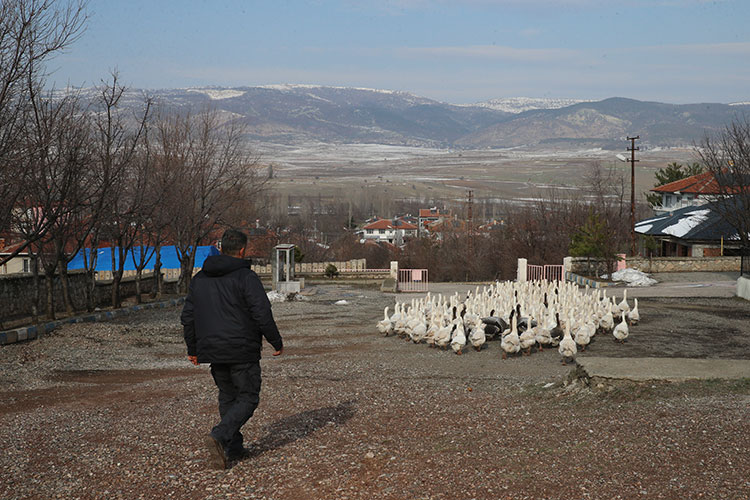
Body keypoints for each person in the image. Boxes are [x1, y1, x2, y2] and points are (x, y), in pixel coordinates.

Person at [181, 228, 283, 469]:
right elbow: (261, 313)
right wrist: (275, 341)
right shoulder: (246, 278)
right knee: (248, 397)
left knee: (228, 396)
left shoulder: (199, 279)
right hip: (242, 349)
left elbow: (188, 317)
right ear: (242, 250)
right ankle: (219, 435)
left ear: (220, 247)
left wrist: (193, 348)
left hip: (213, 350)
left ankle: (233, 447)